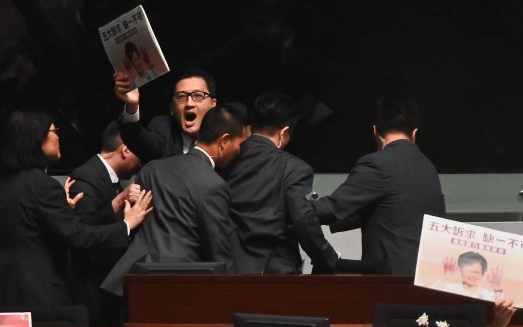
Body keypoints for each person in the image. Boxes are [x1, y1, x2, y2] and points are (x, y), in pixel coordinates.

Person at [0, 108, 153, 312]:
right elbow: (78, 236)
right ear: (37, 138)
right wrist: (126, 225)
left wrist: (64, 210)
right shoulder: (41, 184)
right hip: (32, 294)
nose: (59, 137)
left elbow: (27, 230)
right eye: (54, 131)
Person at [101, 103, 249, 296]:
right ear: (224, 141)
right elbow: (218, 248)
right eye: (240, 144)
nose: (239, 151)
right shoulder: (214, 185)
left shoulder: (151, 169)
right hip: (180, 282)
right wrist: (235, 291)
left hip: (134, 277)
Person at [311, 96, 446, 275]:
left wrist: (291, 207)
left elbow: (333, 207)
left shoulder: (378, 164)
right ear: (414, 133)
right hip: (427, 275)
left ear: (375, 131)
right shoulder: (428, 167)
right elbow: (393, 210)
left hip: (390, 278)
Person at [221, 91, 338, 274]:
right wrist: (328, 258)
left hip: (227, 269)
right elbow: (302, 219)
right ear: (284, 132)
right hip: (274, 273)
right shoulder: (293, 168)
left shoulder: (226, 160)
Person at [67, 122, 142, 326]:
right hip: (91, 285)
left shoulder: (109, 178)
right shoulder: (86, 176)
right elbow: (83, 231)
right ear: (125, 150)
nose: (140, 162)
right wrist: (119, 204)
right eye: (139, 153)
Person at [114, 67, 217, 164]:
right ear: (172, 108)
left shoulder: (222, 135)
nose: (189, 104)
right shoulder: (164, 129)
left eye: (198, 95)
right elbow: (138, 140)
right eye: (181, 96)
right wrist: (132, 105)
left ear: (213, 104)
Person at [432, 251, 504, 301]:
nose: (473, 275)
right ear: (461, 271)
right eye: (469, 271)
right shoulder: (449, 288)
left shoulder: (487, 295)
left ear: (482, 274)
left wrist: (497, 288)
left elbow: (501, 308)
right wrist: (445, 277)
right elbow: (432, 295)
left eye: (477, 272)